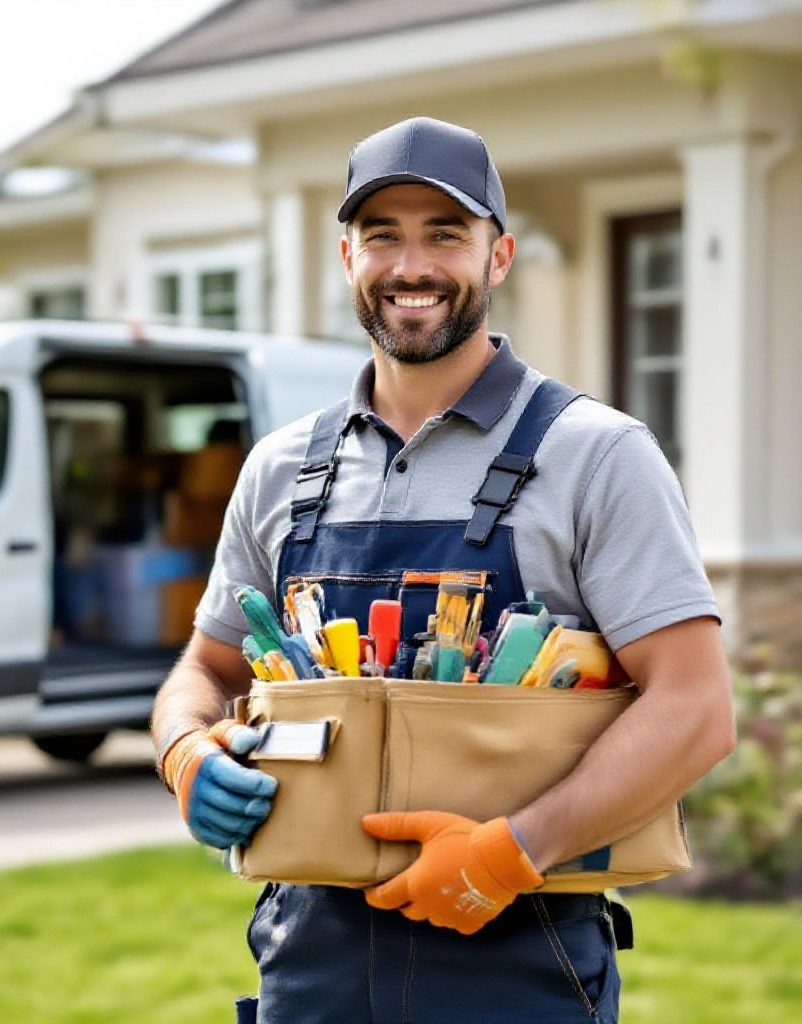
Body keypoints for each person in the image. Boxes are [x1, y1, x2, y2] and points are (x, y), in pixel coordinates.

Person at [152, 117, 735, 1024]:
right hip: (309, 961)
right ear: (346, 257)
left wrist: (514, 852)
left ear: (498, 256)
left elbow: (694, 711)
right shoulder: (280, 469)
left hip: (520, 953)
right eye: (382, 236)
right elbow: (206, 670)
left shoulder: (598, 455)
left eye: (446, 235)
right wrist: (185, 750)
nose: (411, 266)